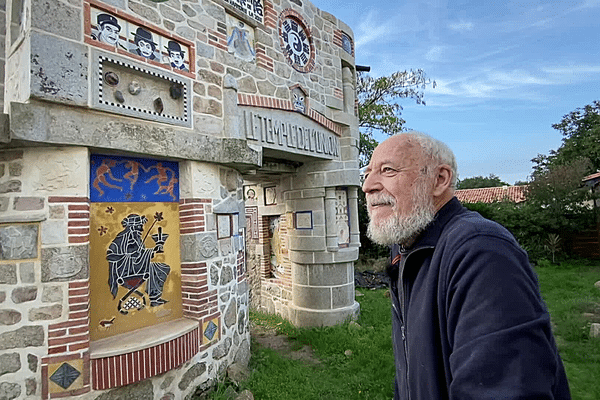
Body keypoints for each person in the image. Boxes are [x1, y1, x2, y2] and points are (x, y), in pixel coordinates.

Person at [362, 132, 571, 399]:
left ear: (439, 179)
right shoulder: (407, 247)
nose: (368, 185)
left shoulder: (480, 250)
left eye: (387, 170)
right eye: (367, 173)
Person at [107, 214, 170, 308]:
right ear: (133, 226)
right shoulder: (121, 239)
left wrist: (153, 250)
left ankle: (154, 298)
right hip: (125, 271)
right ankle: (154, 298)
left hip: (138, 267)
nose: (142, 230)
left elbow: (141, 254)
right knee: (155, 268)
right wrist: (128, 255)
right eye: (139, 226)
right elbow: (110, 255)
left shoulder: (137, 239)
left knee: (162, 268)